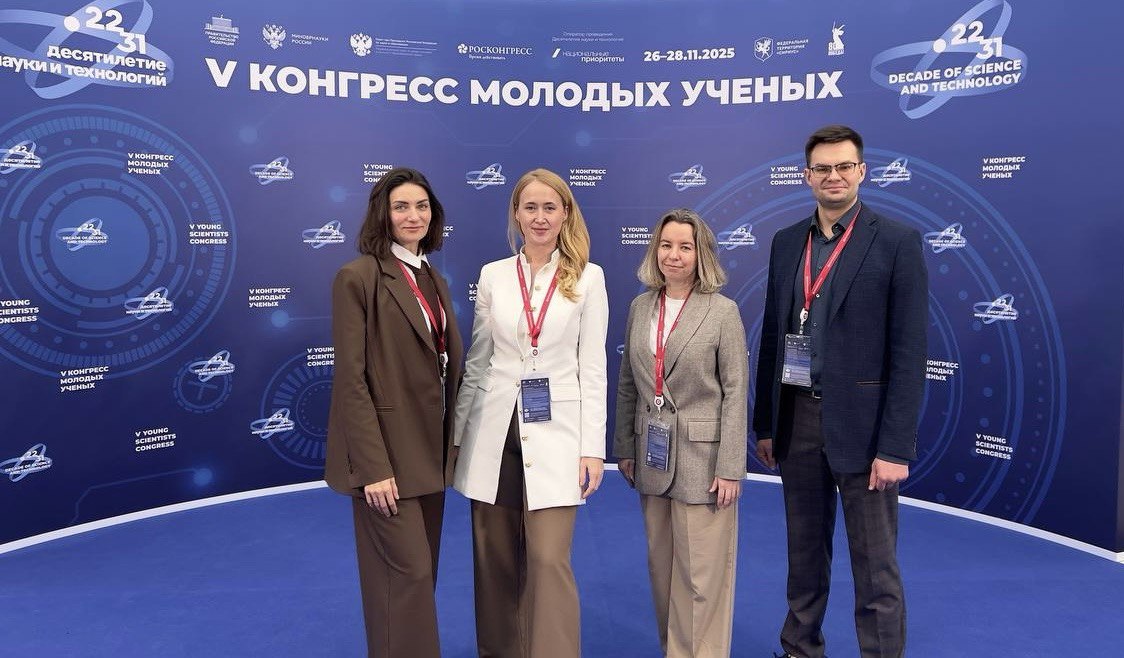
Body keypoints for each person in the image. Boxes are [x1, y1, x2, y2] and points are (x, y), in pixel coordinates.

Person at [753, 125, 928, 658]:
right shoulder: (787, 242)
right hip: (797, 421)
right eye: (823, 168)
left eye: (844, 166)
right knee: (804, 554)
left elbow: (909, 353)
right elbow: (774, 336)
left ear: (861, 172)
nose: (833, 176)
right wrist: (767, 424)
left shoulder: (896, 241)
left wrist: (895, 448)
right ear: (807, 176)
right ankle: (799, 648)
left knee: (875, 565)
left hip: (865, 430)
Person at [453, 168, 609, 658]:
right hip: (492, 433)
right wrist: (456, 436)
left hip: (558, 436)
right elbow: (478, 361)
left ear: (565, 214)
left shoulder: (589, 277)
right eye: (530, 207)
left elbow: (593, 369)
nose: (540, 217)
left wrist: (592, 449)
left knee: (547, 558)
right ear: (516, 215)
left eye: (550, 207)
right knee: (494, 560)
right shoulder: (493, 275)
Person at [324, 167, 463, 658]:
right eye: (401, 206)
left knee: (419, 578)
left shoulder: (432, 277)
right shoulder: (357, 277)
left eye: (421, 206)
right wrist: (372, 468)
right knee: (406, 576)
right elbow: (351, 381)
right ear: (382, 214)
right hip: (386, 459)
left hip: (429, 454)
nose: (412, 216)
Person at [614, 209, 748, 657]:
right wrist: (625, 448)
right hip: (651, 456)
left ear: (700, 253)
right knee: (663, 571)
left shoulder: (723, 312)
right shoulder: (640, 307)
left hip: (704, 463)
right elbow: (629, 383)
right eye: (666, 245)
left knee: (701, 579)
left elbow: (736, 392)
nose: (674, 255)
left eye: (685, 247)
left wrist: (730, 467)